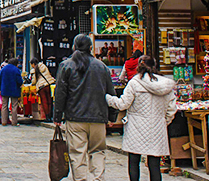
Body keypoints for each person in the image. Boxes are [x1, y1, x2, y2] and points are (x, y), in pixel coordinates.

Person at [54, 34, 117, 181]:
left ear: (74, 47)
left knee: (77, 153)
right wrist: (112, 116)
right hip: (98, 117)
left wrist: (57, 116)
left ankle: (80, 179)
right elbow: (111, 93)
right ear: (90, 48)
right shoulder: (102, 67)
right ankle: (98, 178)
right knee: (98, 151)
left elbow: (60, 94)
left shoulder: (66, 66)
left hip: (75, 118)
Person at [106, 55, 176, 181]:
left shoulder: (134, 83)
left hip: (136, 127)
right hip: (157, 128)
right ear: (154, 65)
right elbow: (171, 109)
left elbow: (123, 104)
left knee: (134, 161)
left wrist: (108, 99)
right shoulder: (164, 85)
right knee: (154, 164)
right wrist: (163, 121)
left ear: (139, 66)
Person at [0, 58, 23, 126]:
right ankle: (14, 122)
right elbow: (19, 80)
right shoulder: (16, 69)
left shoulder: (3, 69)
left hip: (4, 89)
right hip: (14, 90)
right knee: (14, 106)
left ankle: (4, 121)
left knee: (4, 105)